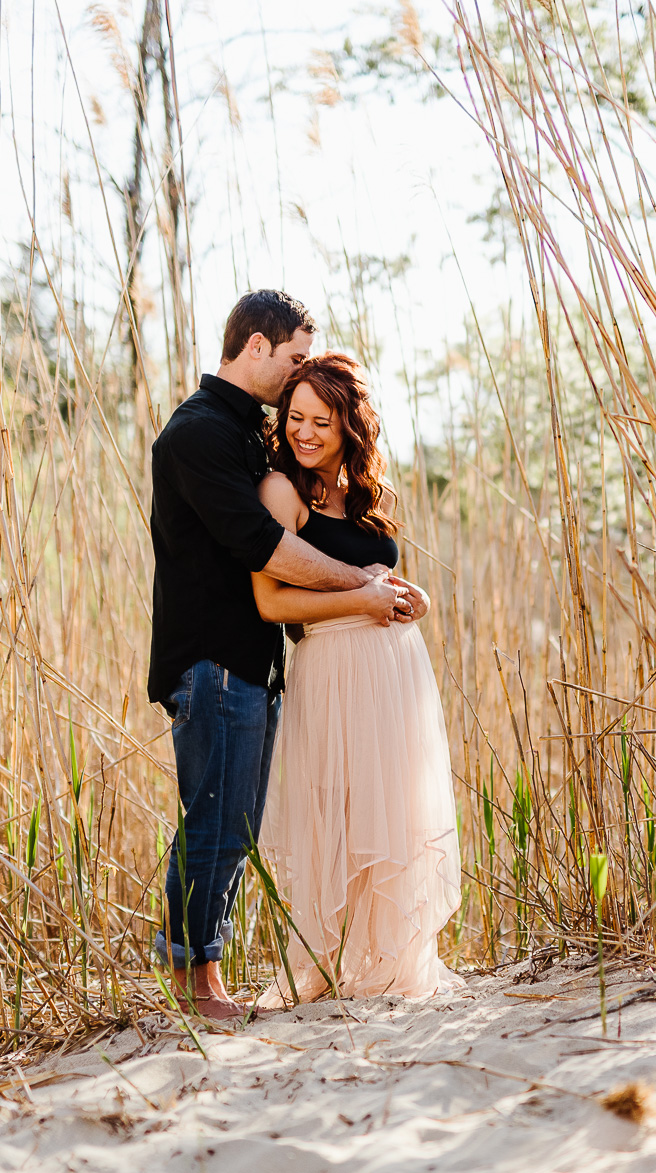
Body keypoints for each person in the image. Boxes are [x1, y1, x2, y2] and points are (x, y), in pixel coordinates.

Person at [147, 291, 417, 1021]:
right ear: (257, 348)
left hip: (252, 666)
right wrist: (365, 585)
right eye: (295, 358)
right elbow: (265, 550)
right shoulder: (196, 435)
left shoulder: (244, 434)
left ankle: (205, 977)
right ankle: (191, 984)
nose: (300, 375)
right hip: (214, 661)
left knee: (233, 824)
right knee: (214, 817)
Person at [250, 352, 462, 1005]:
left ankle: (391, 960)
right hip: (330, 667)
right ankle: (323, 963)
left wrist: (413, 598)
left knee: (393, 804)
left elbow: (379, 578)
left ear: (350, 426)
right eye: (295, 418)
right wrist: (360, 603)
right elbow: (272, 603)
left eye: (321, 421)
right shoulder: (282, 492)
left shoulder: (371, 493)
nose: (304, 433)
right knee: (333, 809)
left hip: (395, 668)